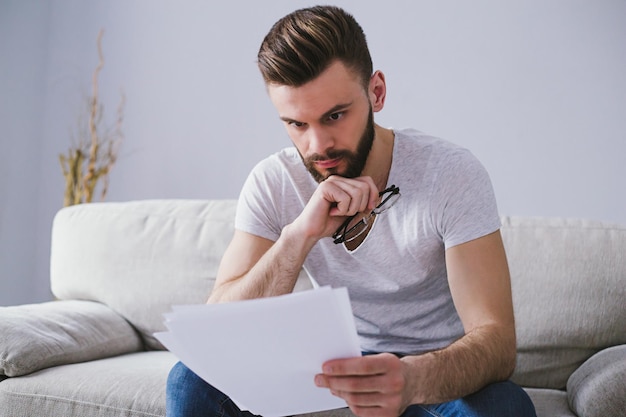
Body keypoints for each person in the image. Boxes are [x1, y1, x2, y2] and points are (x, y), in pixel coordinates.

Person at [166, 5, 537, 417]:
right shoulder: (274, 181)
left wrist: (412, 379)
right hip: (327, 367)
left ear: (376, 92)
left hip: (428, 373)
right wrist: (298, 237)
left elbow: (498, 344)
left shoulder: (450, 174)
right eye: (297, 124)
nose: (317, 147)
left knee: (505, 407)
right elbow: (218, 332)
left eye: (334, 116)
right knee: (189, 379)